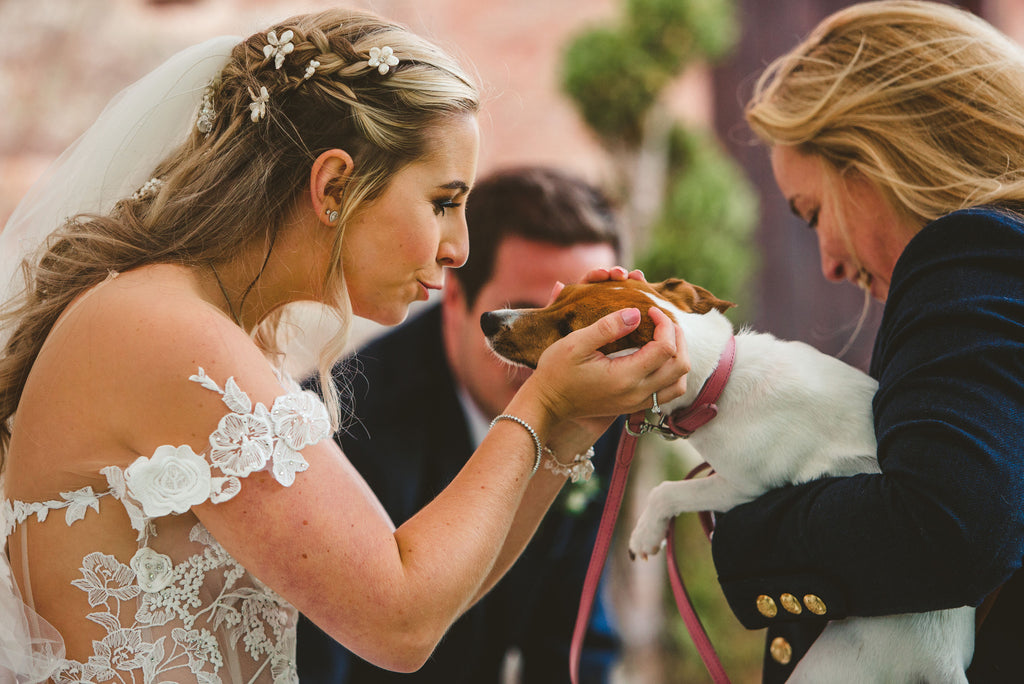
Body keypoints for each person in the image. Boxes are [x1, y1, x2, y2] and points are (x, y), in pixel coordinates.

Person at [0, 9, 690, 683]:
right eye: (444, 202)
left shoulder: (193, 325)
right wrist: (542, 402)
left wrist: (570, 423)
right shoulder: (163, 332)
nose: (459, 249)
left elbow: (434, 597)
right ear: (334, 186)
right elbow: (400, 621)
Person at [706, 1, 1024, 681]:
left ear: (872, 155)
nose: (827, 264)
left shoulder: (969, 253)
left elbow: (950, 526)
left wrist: (745, 518)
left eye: (812, 212)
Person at [296, 166, 627, 683]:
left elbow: (572, 631)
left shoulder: (593, 402)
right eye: (520, 314)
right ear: (455, 300)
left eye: (573, 324)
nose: (555, 358)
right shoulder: (340, 426)